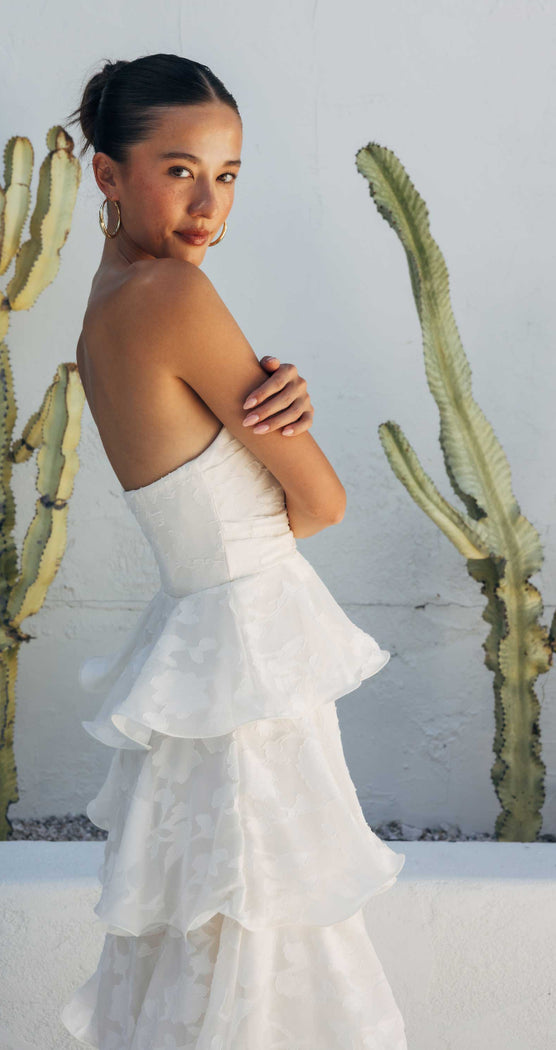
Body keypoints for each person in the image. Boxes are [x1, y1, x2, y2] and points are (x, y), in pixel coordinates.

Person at [60, 52, 407, 1050]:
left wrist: (261, 437)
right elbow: (323, 502)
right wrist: (285, 439)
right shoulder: (174, 297)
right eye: (178, 170)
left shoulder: (106, 311)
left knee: (212, 923)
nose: (208, 203)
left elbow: (220, 519)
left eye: (228, 174)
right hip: (248, 652)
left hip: (202, 634)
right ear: (108, 174)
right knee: (265, 924)